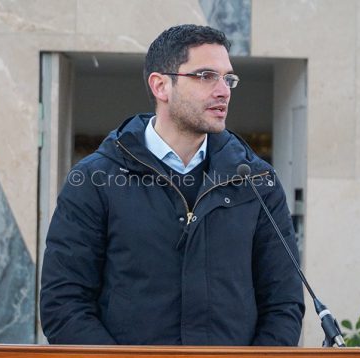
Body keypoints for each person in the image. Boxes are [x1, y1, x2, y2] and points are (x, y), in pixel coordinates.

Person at [40, 24, 304, 346]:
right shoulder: (94, 180)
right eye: (206, 76)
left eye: (228, 78)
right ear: (161, 86)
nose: (224, 91)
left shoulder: (257, 183)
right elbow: (64, 304)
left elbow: (283, 303)